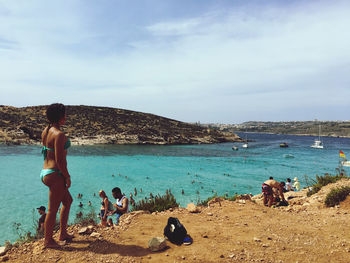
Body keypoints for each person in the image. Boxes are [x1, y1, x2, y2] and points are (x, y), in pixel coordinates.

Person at [40, 103, 73, 248]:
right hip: (56, 174)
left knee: (68, 201)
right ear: (60, 117)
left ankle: (63, 233)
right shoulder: (59, 134)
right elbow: (60, 160)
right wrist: (67, 176)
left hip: (46, 171)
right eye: (64, 114)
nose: (66, 117)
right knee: (52, 209)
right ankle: (48, 241)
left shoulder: (46, 131)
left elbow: (48, 153)